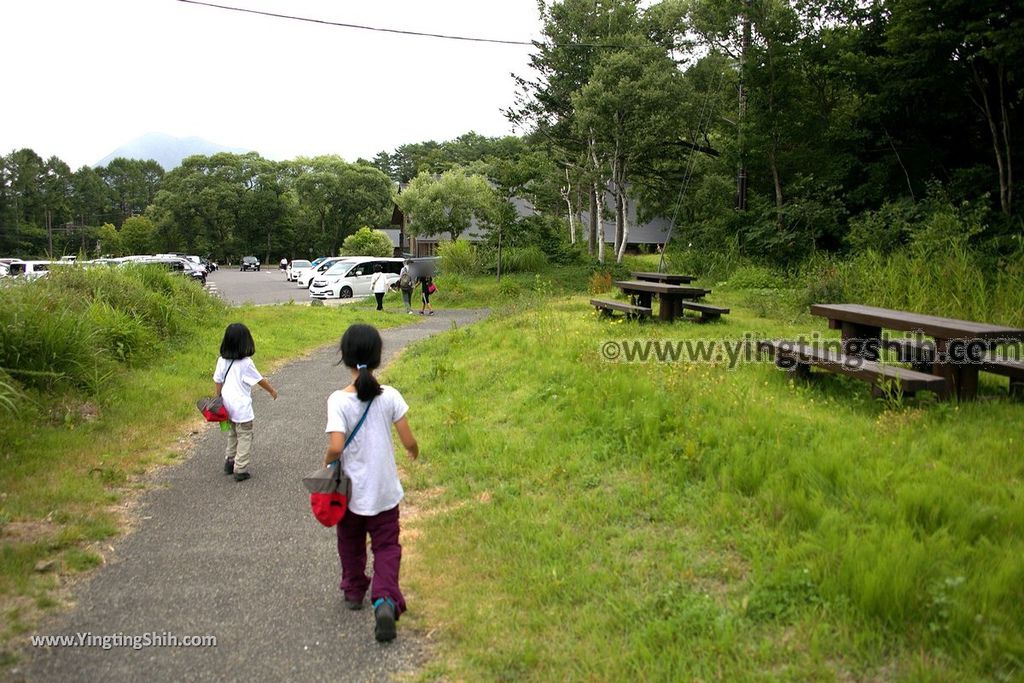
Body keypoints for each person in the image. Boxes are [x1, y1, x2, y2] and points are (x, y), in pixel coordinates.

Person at [324, 324, 419, 643]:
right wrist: (413, 451)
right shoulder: (390, 395)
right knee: (388, 546)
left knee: (350, 544)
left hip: (349, 496)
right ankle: (385, 600)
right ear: (378, 357)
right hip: (384, 494)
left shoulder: (337, 400)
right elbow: (407, 439)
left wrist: (328, 460)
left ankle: (353, 590)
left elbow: (336, 446)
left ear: (345, 358)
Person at [213, 323, 278, 482]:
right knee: (245, 435)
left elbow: (217, 380)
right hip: (241, 407)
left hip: (227, 404)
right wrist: (271, 391)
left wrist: (218, 397)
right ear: (245, 342)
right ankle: (240, 468)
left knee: (233, 433)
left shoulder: (222, 360)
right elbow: (259, 380)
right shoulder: (246, 363)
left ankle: (229, 461)